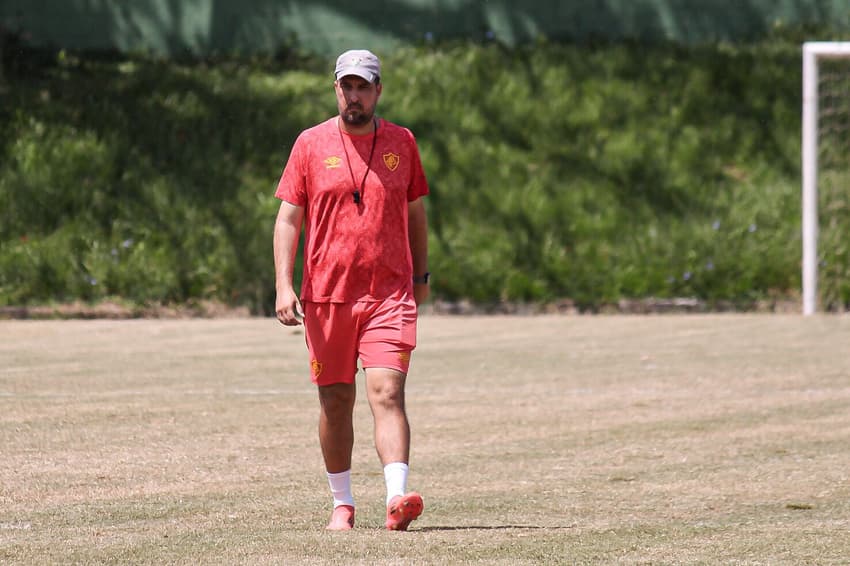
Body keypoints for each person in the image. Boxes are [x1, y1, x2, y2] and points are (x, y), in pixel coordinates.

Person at [273, 49, 430, 531]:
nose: (354, 95)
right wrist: (283, 284)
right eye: (347, 86)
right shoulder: (309, 143)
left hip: (388, 294)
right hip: (326, 296)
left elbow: (417, 215)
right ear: (335, 89)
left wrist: (421, 278)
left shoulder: (402, 143)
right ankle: (342, 502)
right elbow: (288, 219)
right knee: (335, 401)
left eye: (364, 86)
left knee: (387, 392)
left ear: (378, 91)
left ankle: (396, 497)